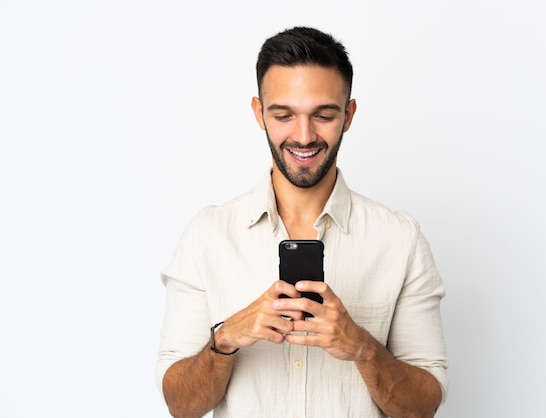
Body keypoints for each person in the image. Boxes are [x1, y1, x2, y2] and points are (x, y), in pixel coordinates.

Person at [156, 26, 448, 418]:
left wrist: (362, 347)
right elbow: (180, 404)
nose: (304, 136)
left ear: (348, 115)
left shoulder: (399, 239)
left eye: (323, 115)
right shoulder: (208, 236)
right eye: (284, 115)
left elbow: (423, 406)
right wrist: (226, 338)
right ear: (260, 113)